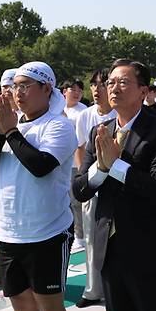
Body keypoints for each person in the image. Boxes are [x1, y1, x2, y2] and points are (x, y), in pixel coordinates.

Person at [73, 59, 156, 311]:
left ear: (143, 91)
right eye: (110, 82)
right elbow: (79, 189)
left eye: (123, 82)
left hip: (147, 246)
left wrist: (117, 166)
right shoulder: (100, 131)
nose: (114, 88)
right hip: (109, 246)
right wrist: (102, 167)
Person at [0, 61, 76, 311]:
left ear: (46, 88)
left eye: (25, 86)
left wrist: (10, 132)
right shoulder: (6, 125)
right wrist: (0, 132)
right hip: (8, 232)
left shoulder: (58, 125)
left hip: (48, 232)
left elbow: (40, 166)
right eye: (14, 86)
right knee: (20, 304)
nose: (17, 93)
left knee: (49, 305)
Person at [72, 68, 117, 308]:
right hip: (93, 185)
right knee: (90, 239)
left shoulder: (121, 115)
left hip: (119, 188)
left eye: (102, 84)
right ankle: (92, 290)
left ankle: (116, 289)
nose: (97, 90)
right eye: (94, 85)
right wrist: (84, 179)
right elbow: (81, 150)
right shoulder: (85, 116)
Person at [61, 79, 88, 250]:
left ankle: (80, 235)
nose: (77, 93)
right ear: (64, 92)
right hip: (59, 162)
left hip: (74, 163)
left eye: (79, 90)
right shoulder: (55, 108)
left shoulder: (82, 111)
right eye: (73, 89)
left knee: (76, 200)